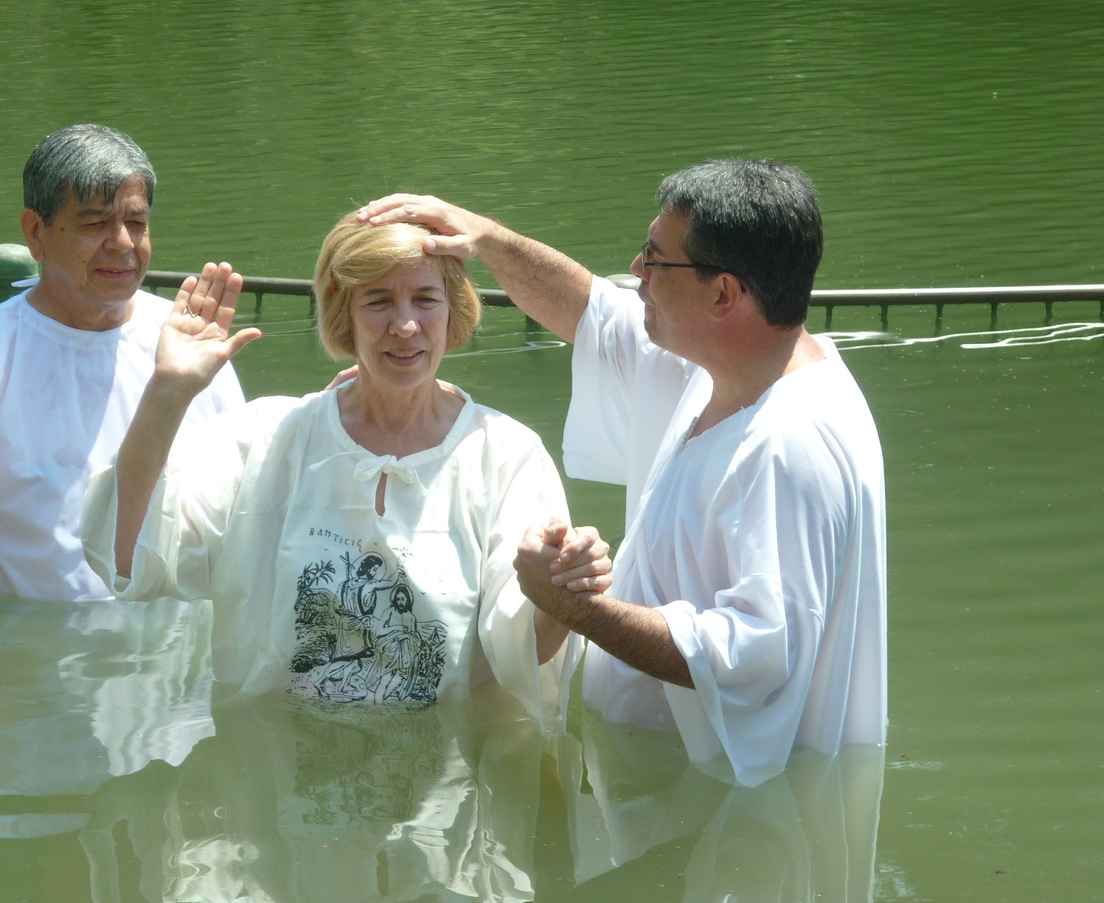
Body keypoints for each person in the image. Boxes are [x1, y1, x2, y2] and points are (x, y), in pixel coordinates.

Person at [357, 159, 887, 785]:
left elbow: (758, 654)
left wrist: (574, 607)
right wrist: (484, 237)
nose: (636, 271)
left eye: (655, 260)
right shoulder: (713, 365)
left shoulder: (792, 443)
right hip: (659, 787)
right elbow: (588, 311)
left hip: (741, 814)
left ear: (723, 295)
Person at [81, 216, 611, 732]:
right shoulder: (266, 438)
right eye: (378, 301)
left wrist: (562, 596)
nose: (405, 325)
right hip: (274, 774)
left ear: (453, 311)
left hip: (439, 787)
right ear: (343, 313)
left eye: (425, 299)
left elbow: (520, 653)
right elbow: (124, 560)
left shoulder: (506, 455)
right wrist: (167, 392)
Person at [0, 124, 245, 601]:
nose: (122, 243)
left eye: (136, 224)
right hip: (23, 651)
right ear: (36, 233)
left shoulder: (188, 343)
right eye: (95, 224)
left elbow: (245, 504)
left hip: (172, 654)